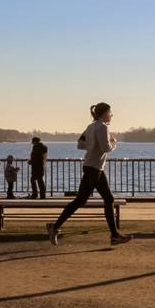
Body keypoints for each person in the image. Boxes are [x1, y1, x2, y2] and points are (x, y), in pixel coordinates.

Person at [47, 103, 132, 247]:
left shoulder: (90, 126)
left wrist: (92, 145)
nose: (111, 115)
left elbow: (80, 144)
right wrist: (114, 142)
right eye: (110, 112)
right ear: (104, 113)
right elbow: (106, 148)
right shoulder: (103, 127)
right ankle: (55, 227)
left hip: (94, 167)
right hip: (94, 168)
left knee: (108, 199)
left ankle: (115, 235)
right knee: (80, 200)